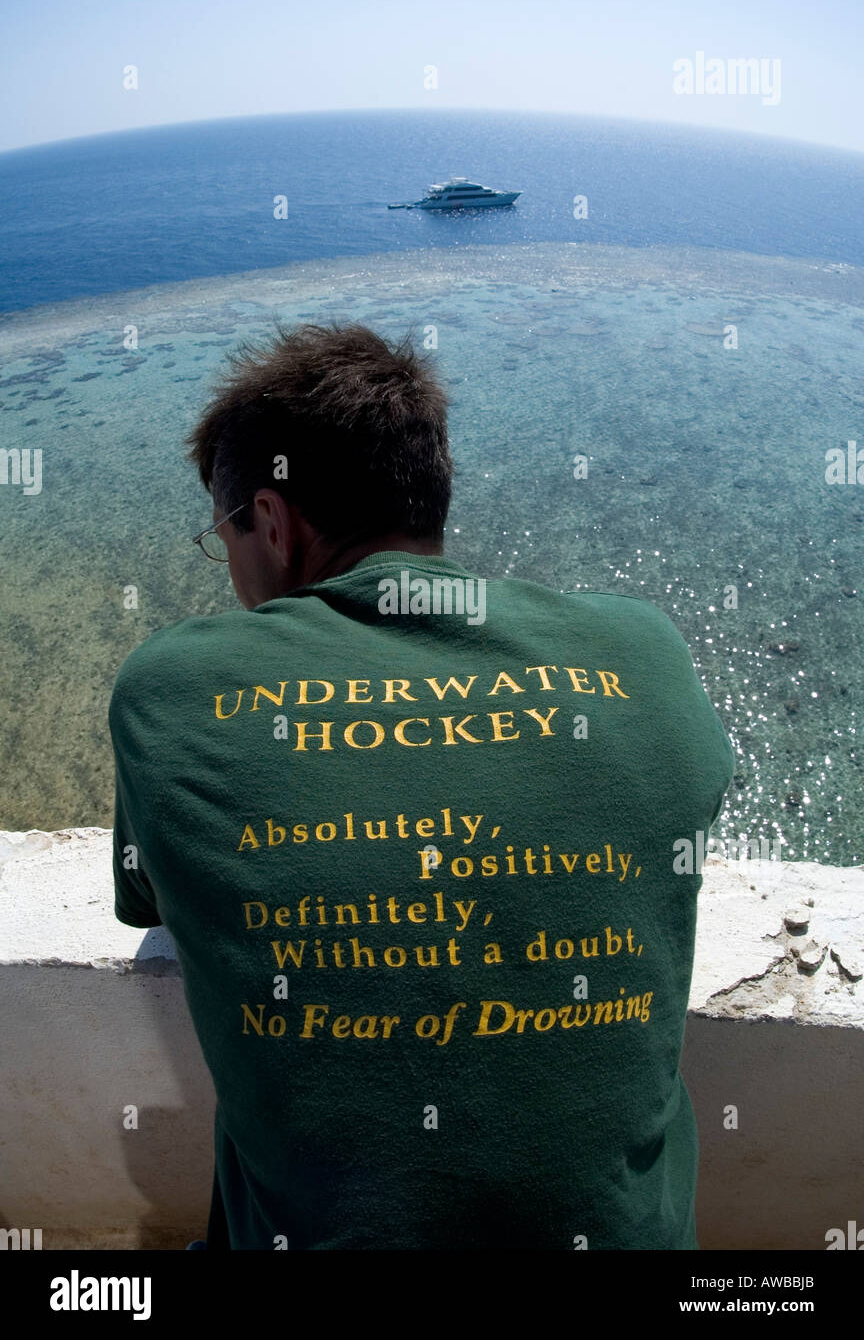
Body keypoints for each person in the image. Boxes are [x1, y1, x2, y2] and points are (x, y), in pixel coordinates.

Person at [109, 321, 734, 1250]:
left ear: (273, 524)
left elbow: (148, 894)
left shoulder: (173, 687)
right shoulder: (643, 651)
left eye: (224, 537)